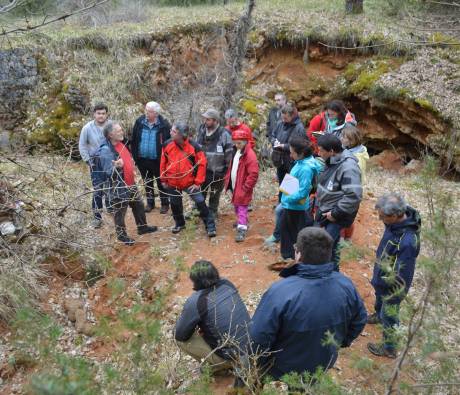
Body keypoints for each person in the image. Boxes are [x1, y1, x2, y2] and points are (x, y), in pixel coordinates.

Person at [250, 227, 367, 380]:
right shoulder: (346, 285)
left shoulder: (280, 292)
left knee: (249, 374)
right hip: (322, 363)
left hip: (282, 366)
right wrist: (338, 342)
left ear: (298, 253)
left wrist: (259, 363)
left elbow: (258, 337)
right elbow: (360, 319)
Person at [367, 193, 421, 359]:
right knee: (379, 299)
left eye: (383, 217)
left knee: (389, 314)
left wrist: (393, 293)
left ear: (396, 215)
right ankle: (378, 314)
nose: (380, 219)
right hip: (382, 276)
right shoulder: (394, 224)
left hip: (393, 287)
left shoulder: (407, 241)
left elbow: (403, 273)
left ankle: (390, 347)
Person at [175, 260, 251, 373]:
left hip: (231, 356)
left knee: (178, 337)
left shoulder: (196, 300)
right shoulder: (227, 283)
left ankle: (217, 367)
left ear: (195, 281)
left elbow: (181, 336)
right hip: (253, 347)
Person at [98, 122, 158, 245]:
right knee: (120, 212)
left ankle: (142, 227)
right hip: (118, 188)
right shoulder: (105, 150)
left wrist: (132, 168)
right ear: (110, 134)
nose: (122, 132)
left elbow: (128, 159)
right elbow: (108, 172)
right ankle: (121, 236)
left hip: (130, 183)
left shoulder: (120, 143)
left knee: (139, 205)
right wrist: (117, 167)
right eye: (119, 131)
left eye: (121, 130)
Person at [160, 122, 217, 237]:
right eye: (171, 130)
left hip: (189, 182)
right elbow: (163, 162)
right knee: (175, 204)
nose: (170, 132)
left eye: (174, 131)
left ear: (182, 135)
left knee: (200, 203)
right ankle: (179, 224)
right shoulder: (167, 144)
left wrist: (197, 182)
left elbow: (202, 164)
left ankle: (210, 226)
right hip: (172, 182)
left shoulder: (194, 146)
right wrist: (163, 179)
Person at [315, 134, 362, 271]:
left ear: (331, 151)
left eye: (321, 150)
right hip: (326, 209)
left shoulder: (348, 168)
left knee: (324, 244)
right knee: (332, 245)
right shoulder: (333, 160)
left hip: (337, 214)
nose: (319, 153)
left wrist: (335, 213)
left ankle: (327, 274)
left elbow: (353, 196)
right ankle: (333, 272)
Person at [279, 137, 322, 260]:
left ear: (301, 153)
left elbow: (303, 192)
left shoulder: (305, 168)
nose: (290, 154)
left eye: (292, 152)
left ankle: (295, 258)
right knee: (286, 231)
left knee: (293, 234)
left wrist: (287, 199)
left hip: (295, 206)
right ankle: (289, 256)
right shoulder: (302, 162)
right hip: (291, 204)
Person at [130, 101, 171, 214]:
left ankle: (164, 204)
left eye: (149, 111)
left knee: (160, 182)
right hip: (142, 159)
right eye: (146, 110)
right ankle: (150, 203)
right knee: (147, 182)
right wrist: (135, 157)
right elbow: (134, 140)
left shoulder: (164, 125)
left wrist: (167, 159)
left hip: (158, 160)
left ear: (156, 113)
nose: (146, 113)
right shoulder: (139, 122)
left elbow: (169, 143)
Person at [196, 108, 233, 219]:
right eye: (205, 119)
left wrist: (226, 170)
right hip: (203, 168)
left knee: (215, 193)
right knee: (200, 191)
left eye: (208, 119)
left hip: (218, 170)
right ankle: (198, 210)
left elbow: (229, 152)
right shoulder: (202, 130)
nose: (205, 121)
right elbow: (197, 148)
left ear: (215, 121)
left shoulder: (224, 133)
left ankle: (212, 212)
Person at [78, 102, 110, 228]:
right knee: (98, 189)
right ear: (94, 114)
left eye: (103, 113)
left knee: (111, 187)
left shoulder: (112, 125)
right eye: (98, 113)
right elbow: (82, 145)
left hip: (110, 161)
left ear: (106, 114)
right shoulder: (87, 128)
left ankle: (111, 209)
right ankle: (97, 217)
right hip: (95, 162)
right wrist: (88, 161)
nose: (101, 116)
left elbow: (119, 142)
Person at [225, 129, 259, 242]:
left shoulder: (250, 155)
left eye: (239, 142)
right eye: (235, 142)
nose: (236, 145)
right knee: (236, 205)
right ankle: (242, 221)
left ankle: (242, 229)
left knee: (242, 206)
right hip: (236, 184)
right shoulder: (237, 151)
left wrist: (246, 187)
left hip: (243, 186)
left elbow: (253, 174)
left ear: (245, 141)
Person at [340, 125, 369, 241]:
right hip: (349, 188)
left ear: (351, 141)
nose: (341, 138)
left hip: (349, 189)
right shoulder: (351, 151)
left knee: (346, 214)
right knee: (347, 214)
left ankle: (344, 239)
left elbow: (355, 178)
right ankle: (345, 238)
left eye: (344, 137)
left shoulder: (357, 158)